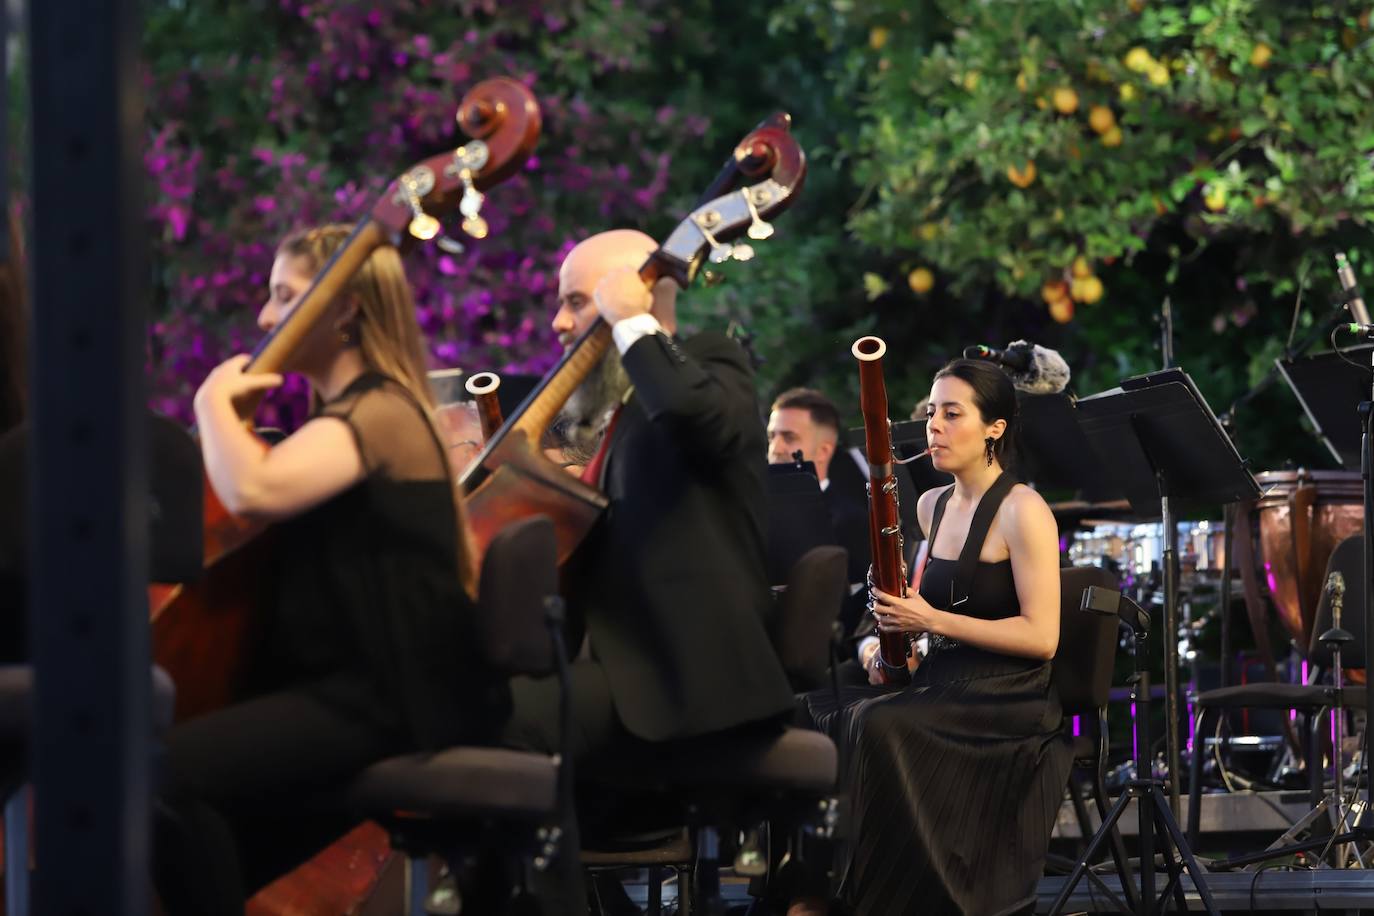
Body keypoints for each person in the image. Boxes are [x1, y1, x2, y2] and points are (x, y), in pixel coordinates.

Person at [153, 224, 502, 916]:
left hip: (389, 697)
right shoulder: (349, 415)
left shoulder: (383, 410)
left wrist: (211, 403)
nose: (264, 317)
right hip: (355, 692)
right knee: (193, 829)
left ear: (342, 308)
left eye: (284, 295)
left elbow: (256, 489)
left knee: (158, 777)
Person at [499, 228, 795, 912]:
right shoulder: (623, 417)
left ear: (630, 291)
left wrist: (631, 315)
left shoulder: (710, 361)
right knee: (486, 730)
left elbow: (697, 418)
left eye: (577, 300)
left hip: (692, 689)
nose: (558, 322)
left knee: (503, 720)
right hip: (634, 685)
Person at [793, 358, 1071, 916]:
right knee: (814, 710)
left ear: (995, 427)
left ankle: (878, 897)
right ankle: (807, 893)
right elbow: (918, 614)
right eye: (932, 412)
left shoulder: (1025, 510)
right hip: (943, 680)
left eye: (952, 413)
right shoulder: (931, 504)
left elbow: (1042, 638)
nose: (933, 426)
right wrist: (886, 640)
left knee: (873, 722)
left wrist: (931, 624)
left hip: (1007, 695)